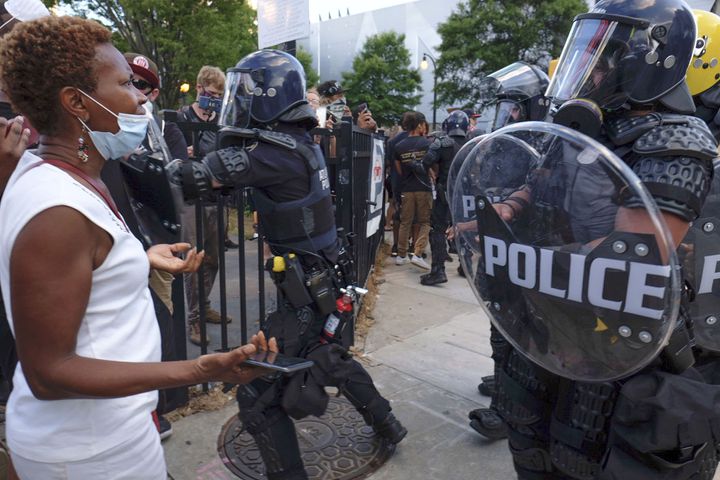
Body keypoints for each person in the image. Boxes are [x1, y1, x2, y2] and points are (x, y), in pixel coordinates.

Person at [0, 16, 277, 480]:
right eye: (127, 84)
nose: (141, 98)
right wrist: (197, 369)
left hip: (113, 430)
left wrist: (134, 259)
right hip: (88, 452)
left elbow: (78, 268)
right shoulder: (57, 208)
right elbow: (49, 373)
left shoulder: (69, 177)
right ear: (77, 103)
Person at [459, 1, 720, 478]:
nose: (587, 69)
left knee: (588, 459)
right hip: (547, 321)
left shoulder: (677, 140)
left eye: (600, 57)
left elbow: (632, 255)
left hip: (615, 339)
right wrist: (505, 212)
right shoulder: (578, 127)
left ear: (646, 60)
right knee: (533, 446)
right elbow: (537, 184)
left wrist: (522, 257)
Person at [169, 49, 406, 480]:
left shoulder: (272, 151)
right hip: (318, 279)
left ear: (269, 97)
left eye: (247, 91)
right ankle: (387, 423)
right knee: (330, 358)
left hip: (306, 286)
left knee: (256, 395)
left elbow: (195, 176)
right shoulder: (298, 143)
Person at [177, 65, 233, 345]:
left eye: (219, 95)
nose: (214, 99)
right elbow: (172, 159)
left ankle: (204, 305)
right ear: (199, 89)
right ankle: (193, 319)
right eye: (210, 93)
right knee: (194, 259)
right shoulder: (182, 118)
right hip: (190, 199)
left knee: (212, 258)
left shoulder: (221, 120)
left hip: (217, 197)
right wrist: (184, 154)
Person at [417, 110, 468, 286]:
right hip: (466, 193)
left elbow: (425, 162)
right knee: (465, 228)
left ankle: (438, 270)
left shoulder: (442, 142)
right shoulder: (473, 143)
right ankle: (466, 266)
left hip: (445, 191)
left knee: (437, 230)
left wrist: (432, 172)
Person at [394, 111, 432, 269]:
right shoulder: (427, 144)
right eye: (423, 124)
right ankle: (417, 252)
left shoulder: (398, 146)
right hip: (423, 187)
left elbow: (399, 170)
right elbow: (432, 166)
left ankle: (401, 255)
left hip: (407, 188)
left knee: (405, 222)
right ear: (419, 125)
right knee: (425, 222)